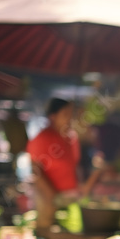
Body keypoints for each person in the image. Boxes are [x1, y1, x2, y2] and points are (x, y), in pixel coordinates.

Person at [27, 98, 82, 229]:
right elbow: (36, 172)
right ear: (53, 116)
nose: (70, 119)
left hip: (71, 200)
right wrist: (52, 200)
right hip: (50, 202)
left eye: (71, 115)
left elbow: (74, 166)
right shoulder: (42, 139)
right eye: (65, 115)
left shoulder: (71, 138)